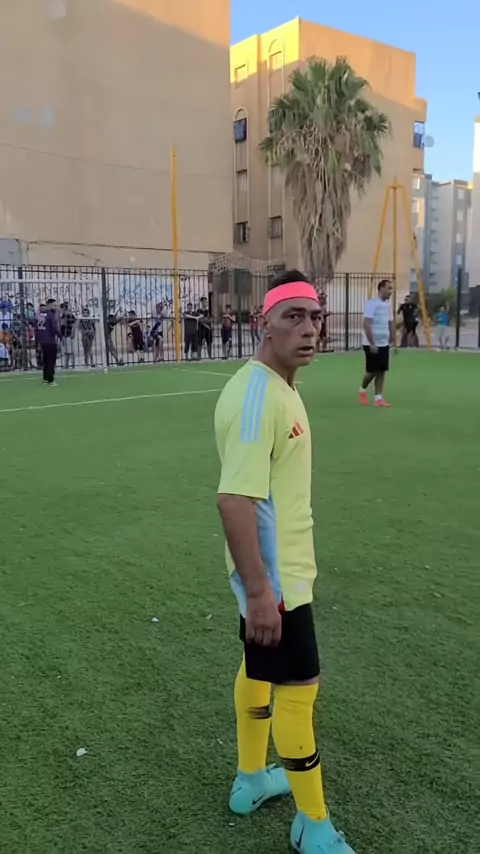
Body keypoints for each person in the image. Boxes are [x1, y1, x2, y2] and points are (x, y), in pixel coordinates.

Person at [215, 270, 356, 854]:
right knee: (298, 692)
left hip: (279, 573)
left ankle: (251, 780)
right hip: (276, 581)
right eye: (292, 317)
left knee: (259, 668)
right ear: (263, 324)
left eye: (315, 317)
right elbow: (234, 499)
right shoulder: (257, 396)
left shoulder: (279, 387)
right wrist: (260, 593)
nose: (308, 329)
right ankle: (312, 825)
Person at [359, 279, 394, 408]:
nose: (390, 291)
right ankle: (362, 389)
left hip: (384, 343)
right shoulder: (372, 304)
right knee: (372, 371)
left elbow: (390, 323)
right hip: (371, 344)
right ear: (381, 289)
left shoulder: (388, 306)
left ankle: (378, 398)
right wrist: (372, 343)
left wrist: (392, 340)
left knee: (382, 370)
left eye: (391, 288)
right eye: (388, 288)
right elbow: (366, 323)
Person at [35, 298, 60, 386]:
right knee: (51, 361)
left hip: (43, 341)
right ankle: (50, 380)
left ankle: (45, 378)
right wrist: (60, 335)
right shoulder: (50, 315)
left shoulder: (40, 315)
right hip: (50, 341)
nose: (55, 307)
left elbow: (37, 329)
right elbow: (54, 328)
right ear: (48, 305)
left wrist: (37, 340)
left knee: (45, 360)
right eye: (54, 305)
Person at [59, 302, 76, 369]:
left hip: (68, 334)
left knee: (70, 351)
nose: (60, 310)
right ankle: (66, 364)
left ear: (63, 308)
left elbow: (73, 324)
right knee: (66, 351)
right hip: (64, 335)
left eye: (61, 309)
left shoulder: (70, 315)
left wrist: (72, 333)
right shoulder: (62, 316)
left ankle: (72, 364)